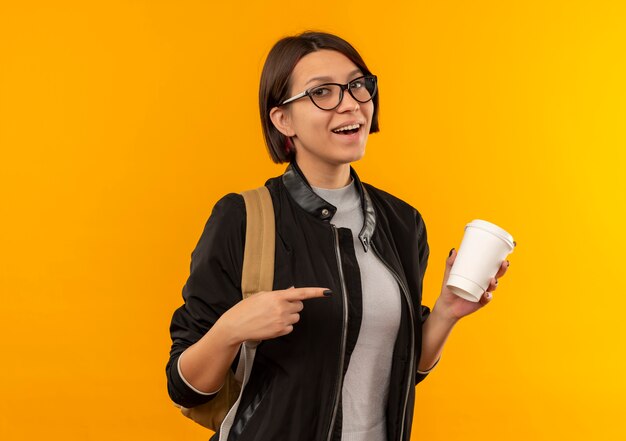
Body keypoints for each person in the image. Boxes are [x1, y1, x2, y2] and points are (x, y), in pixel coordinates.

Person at [166, 31, 510, 441]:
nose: (350, 103)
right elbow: (183, 385)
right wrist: (232, 328)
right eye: (322, 93)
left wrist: (447, 312)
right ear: (283, 120)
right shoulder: (242, 217)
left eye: (357, 85)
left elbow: (395, 368)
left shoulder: (402, 222)